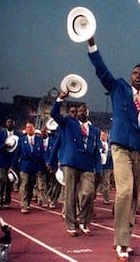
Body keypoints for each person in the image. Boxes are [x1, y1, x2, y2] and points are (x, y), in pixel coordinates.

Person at [86, 36, 140, 262]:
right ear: (131, 76)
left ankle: (124, 237)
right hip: (120, 146)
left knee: (133, 196)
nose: (138, 76)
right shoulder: (119, 88)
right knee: (124, 191)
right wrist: (92, 44)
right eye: (135, 73)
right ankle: (122, 241)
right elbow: (102, 71)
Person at [50, 95, 102, 237]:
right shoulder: (68, 123)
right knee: (70, 195)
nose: (81, 112)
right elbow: (54, 114)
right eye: (79, 111)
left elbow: (97, 152)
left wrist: (99, 170)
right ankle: (71, 225)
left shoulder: (95, 131)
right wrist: (60, 99)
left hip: (87, 165)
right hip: (71, 162)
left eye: (84, 111)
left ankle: (83, 221)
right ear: (76, 114)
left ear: (88, 113)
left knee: (89, 192)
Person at [12, 121, 45, 214]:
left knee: (31, 186)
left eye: (30, 127)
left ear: (34, 128)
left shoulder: (39, 140)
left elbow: (43, 153)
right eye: (27, 127)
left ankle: (28, 201)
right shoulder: (22, 140)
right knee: (24, 185)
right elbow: (17, 154)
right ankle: (24, 205)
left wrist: (47, 163)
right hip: (24, 166)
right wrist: (12, 166)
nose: (29, 129)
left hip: (34, 167)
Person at [0, 118, 20, 209]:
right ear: (6, 123)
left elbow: (18, 151)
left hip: (11, 162)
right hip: (1, 162)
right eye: (8, 122)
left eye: (12, 122)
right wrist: (4, 146)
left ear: (14, 124)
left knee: (10, 182)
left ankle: (7, 201)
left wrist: (14, 164)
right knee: (1, 180)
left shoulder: (18, 135)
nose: (10, 124)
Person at [99, 130, 113, 205]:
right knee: (95, 182)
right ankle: (92, 197)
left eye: (103, 135)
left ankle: (106, 199)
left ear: (106, 135)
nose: (102, 136)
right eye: (101, 135)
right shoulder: (98, 144)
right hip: (98, 166)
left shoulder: (109, 146)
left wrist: (111, 167)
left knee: (106, 183)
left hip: (106, 166)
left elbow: (111, 157)